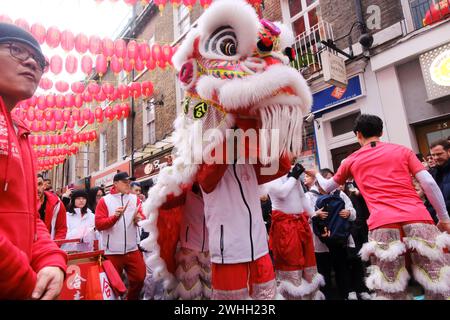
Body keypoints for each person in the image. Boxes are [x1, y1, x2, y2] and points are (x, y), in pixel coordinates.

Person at [307, 114, 450, 300]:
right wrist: (444, 218)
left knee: (389, 288)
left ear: (358, 134)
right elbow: (429, 183)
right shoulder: (402, 151)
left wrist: (317, 174)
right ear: (381, 131)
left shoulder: (350, 160)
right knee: (437, 280)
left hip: (382, 225)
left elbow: (326, 188)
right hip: (418, 217)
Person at [0, 22, 67, 299]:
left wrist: (50, 259)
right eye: (16, 49)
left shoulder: (21, 132)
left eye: (39, 60)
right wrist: (23, 280)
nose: (31, 62)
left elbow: (30, 215)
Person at [264, 163, 325, 300]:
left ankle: (311, 296)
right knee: (291, 266)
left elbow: (302, 197)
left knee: (309, 265)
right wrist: (293, 176)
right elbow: (281, 193)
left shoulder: (291, 172)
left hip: (300, 224)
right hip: (285, 227)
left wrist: (312, 214)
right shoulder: (269, 169)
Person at [306, 169, 356, 300]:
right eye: (329, 179)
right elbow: (304, 218)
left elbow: (352, 212)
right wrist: (314, 215)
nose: (333, 182)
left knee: (342, 269)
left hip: (339, 240)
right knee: (324, 273)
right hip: (320, 242)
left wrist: (349, 213)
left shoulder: (339, 194)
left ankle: (345, 295)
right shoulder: (309, 196)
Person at [95, 171, 146, 300]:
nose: (128, 184)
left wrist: (139, 219)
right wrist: (114, 217)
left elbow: (142, 217)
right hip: (112, 251)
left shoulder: (135, 199)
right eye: (125, 182)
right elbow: (99, 225)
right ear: (115, 184)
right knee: (112, 285)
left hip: (132, 248)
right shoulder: (104, 201)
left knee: (140, 278)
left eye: (129, 182)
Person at [37, 174, 67, 240]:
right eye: (33, 184)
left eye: (39, 184)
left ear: (44, 186)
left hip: (49, 245)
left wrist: (54, 247)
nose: (37, 188)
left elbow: (61, 229)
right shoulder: (22, 204)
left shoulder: (57, 203)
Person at [429, 139, 450, 213]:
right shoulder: (433, 173)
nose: (435, 158)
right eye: (433, 155)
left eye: (439, 154)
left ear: (449, 151)